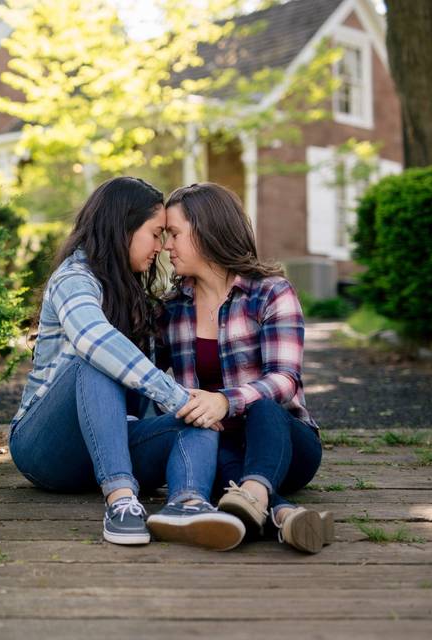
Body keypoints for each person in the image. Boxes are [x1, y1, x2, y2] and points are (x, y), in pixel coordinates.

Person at [9, 176, 244, 551]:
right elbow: (93, 339)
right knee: (96, 360)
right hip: (47, 450)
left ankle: (186, 504)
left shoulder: (138, 295)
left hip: (113, 445)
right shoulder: (73, 279)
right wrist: (175, 396)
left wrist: (192, 404)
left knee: (198, 415)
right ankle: (120, 503)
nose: (162, 246)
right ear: (123, 228)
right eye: (155, 233)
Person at [160, 182, 332, 553]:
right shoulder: (172, 308)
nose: (165, 246)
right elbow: (146, 379)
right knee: (209, 445)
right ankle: (286, 517)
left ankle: (254, 494)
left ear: (207, 232)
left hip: (285, 444)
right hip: (221, 448)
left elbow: (286, 380)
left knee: (265, 408)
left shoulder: (270, 292)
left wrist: (225, 401)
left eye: (174, 234)